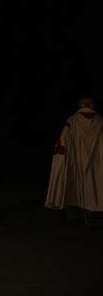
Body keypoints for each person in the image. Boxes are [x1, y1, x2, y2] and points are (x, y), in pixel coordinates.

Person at [45, 96, 103, 225]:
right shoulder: (99, 121)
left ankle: (74, 215)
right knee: (92, 188)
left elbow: (63, 139)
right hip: (95, 163)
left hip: (76, 161)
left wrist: (61, 157)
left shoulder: (72, 121)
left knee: (75, 186)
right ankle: (89, 214)